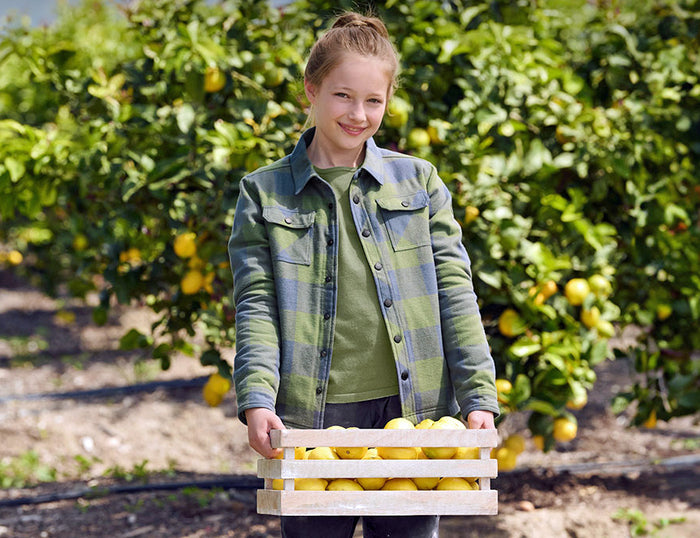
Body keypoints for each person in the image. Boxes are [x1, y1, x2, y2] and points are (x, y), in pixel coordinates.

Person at [228, 10, 499, 538]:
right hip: (310, 416)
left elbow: (455, 292)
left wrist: (479, 396)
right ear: (311, 89)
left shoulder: (418, 181)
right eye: (343, 96)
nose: (358, 114)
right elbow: (256, 303)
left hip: (413, 412)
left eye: (373, 100)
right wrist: (257, 396)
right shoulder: (264, 192)